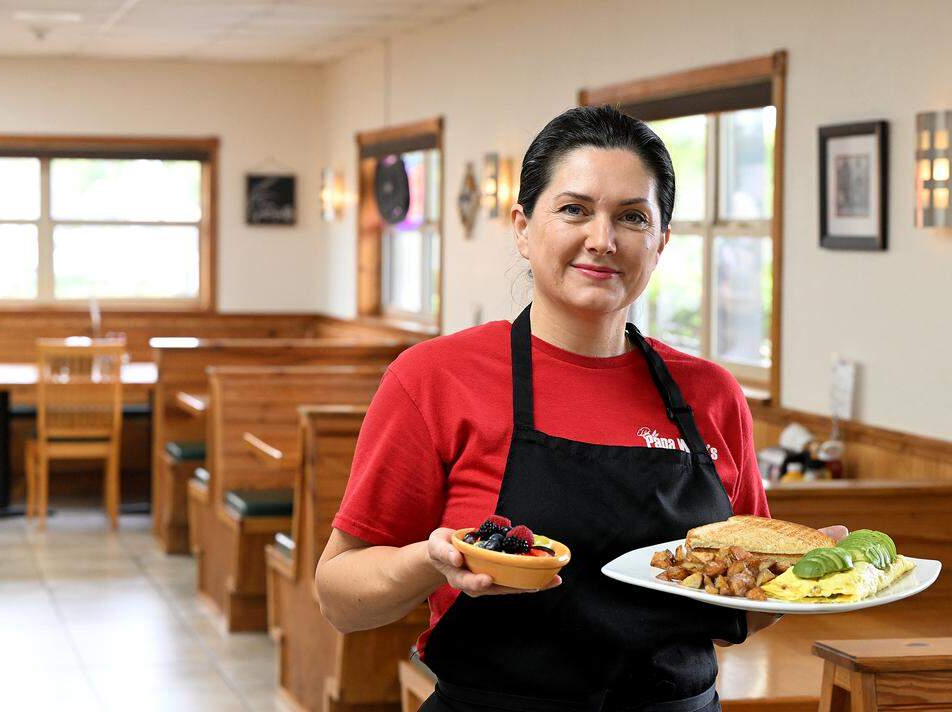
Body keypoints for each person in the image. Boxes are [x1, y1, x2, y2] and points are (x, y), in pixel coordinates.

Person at [316, 105, 845, 711]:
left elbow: (745, 612)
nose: (603, 239)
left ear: (662, 242)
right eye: (574, 209)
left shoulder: (712, 396)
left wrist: (804, 574)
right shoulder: (434, 379)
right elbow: (339, 598)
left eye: (632, 217)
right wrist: (431, 562)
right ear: (522, 226)